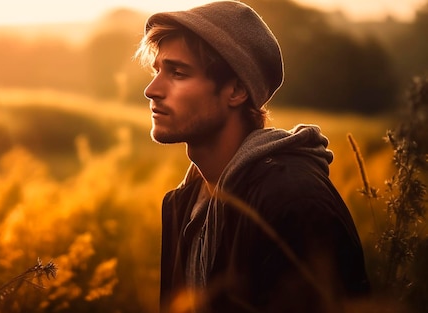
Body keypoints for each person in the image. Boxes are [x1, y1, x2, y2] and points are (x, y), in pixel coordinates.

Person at [134, 1, 371, 312]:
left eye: (178, 73)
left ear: (235, 90)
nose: (152, 90)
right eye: (157, 70)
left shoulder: (294, 203)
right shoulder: (187, 203)